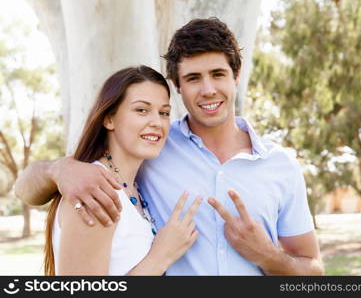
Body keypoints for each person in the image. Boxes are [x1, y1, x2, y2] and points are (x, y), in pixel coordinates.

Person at [16, 18, 324, 275]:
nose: (208, 89)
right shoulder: (150, 151)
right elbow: (25, 190)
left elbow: (313, 267)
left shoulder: (280, 164)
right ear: (178, 86)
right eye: (193, 78)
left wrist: (267, 256)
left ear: (237, 76)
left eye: (218, 74)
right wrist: (59, 169)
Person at [42, 66, 201, 275]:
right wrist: (160, 257)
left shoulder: (133, 187)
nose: (157, 122)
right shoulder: (94, 192)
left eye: (164, 113)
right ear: (109, 119)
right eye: (141, 110)